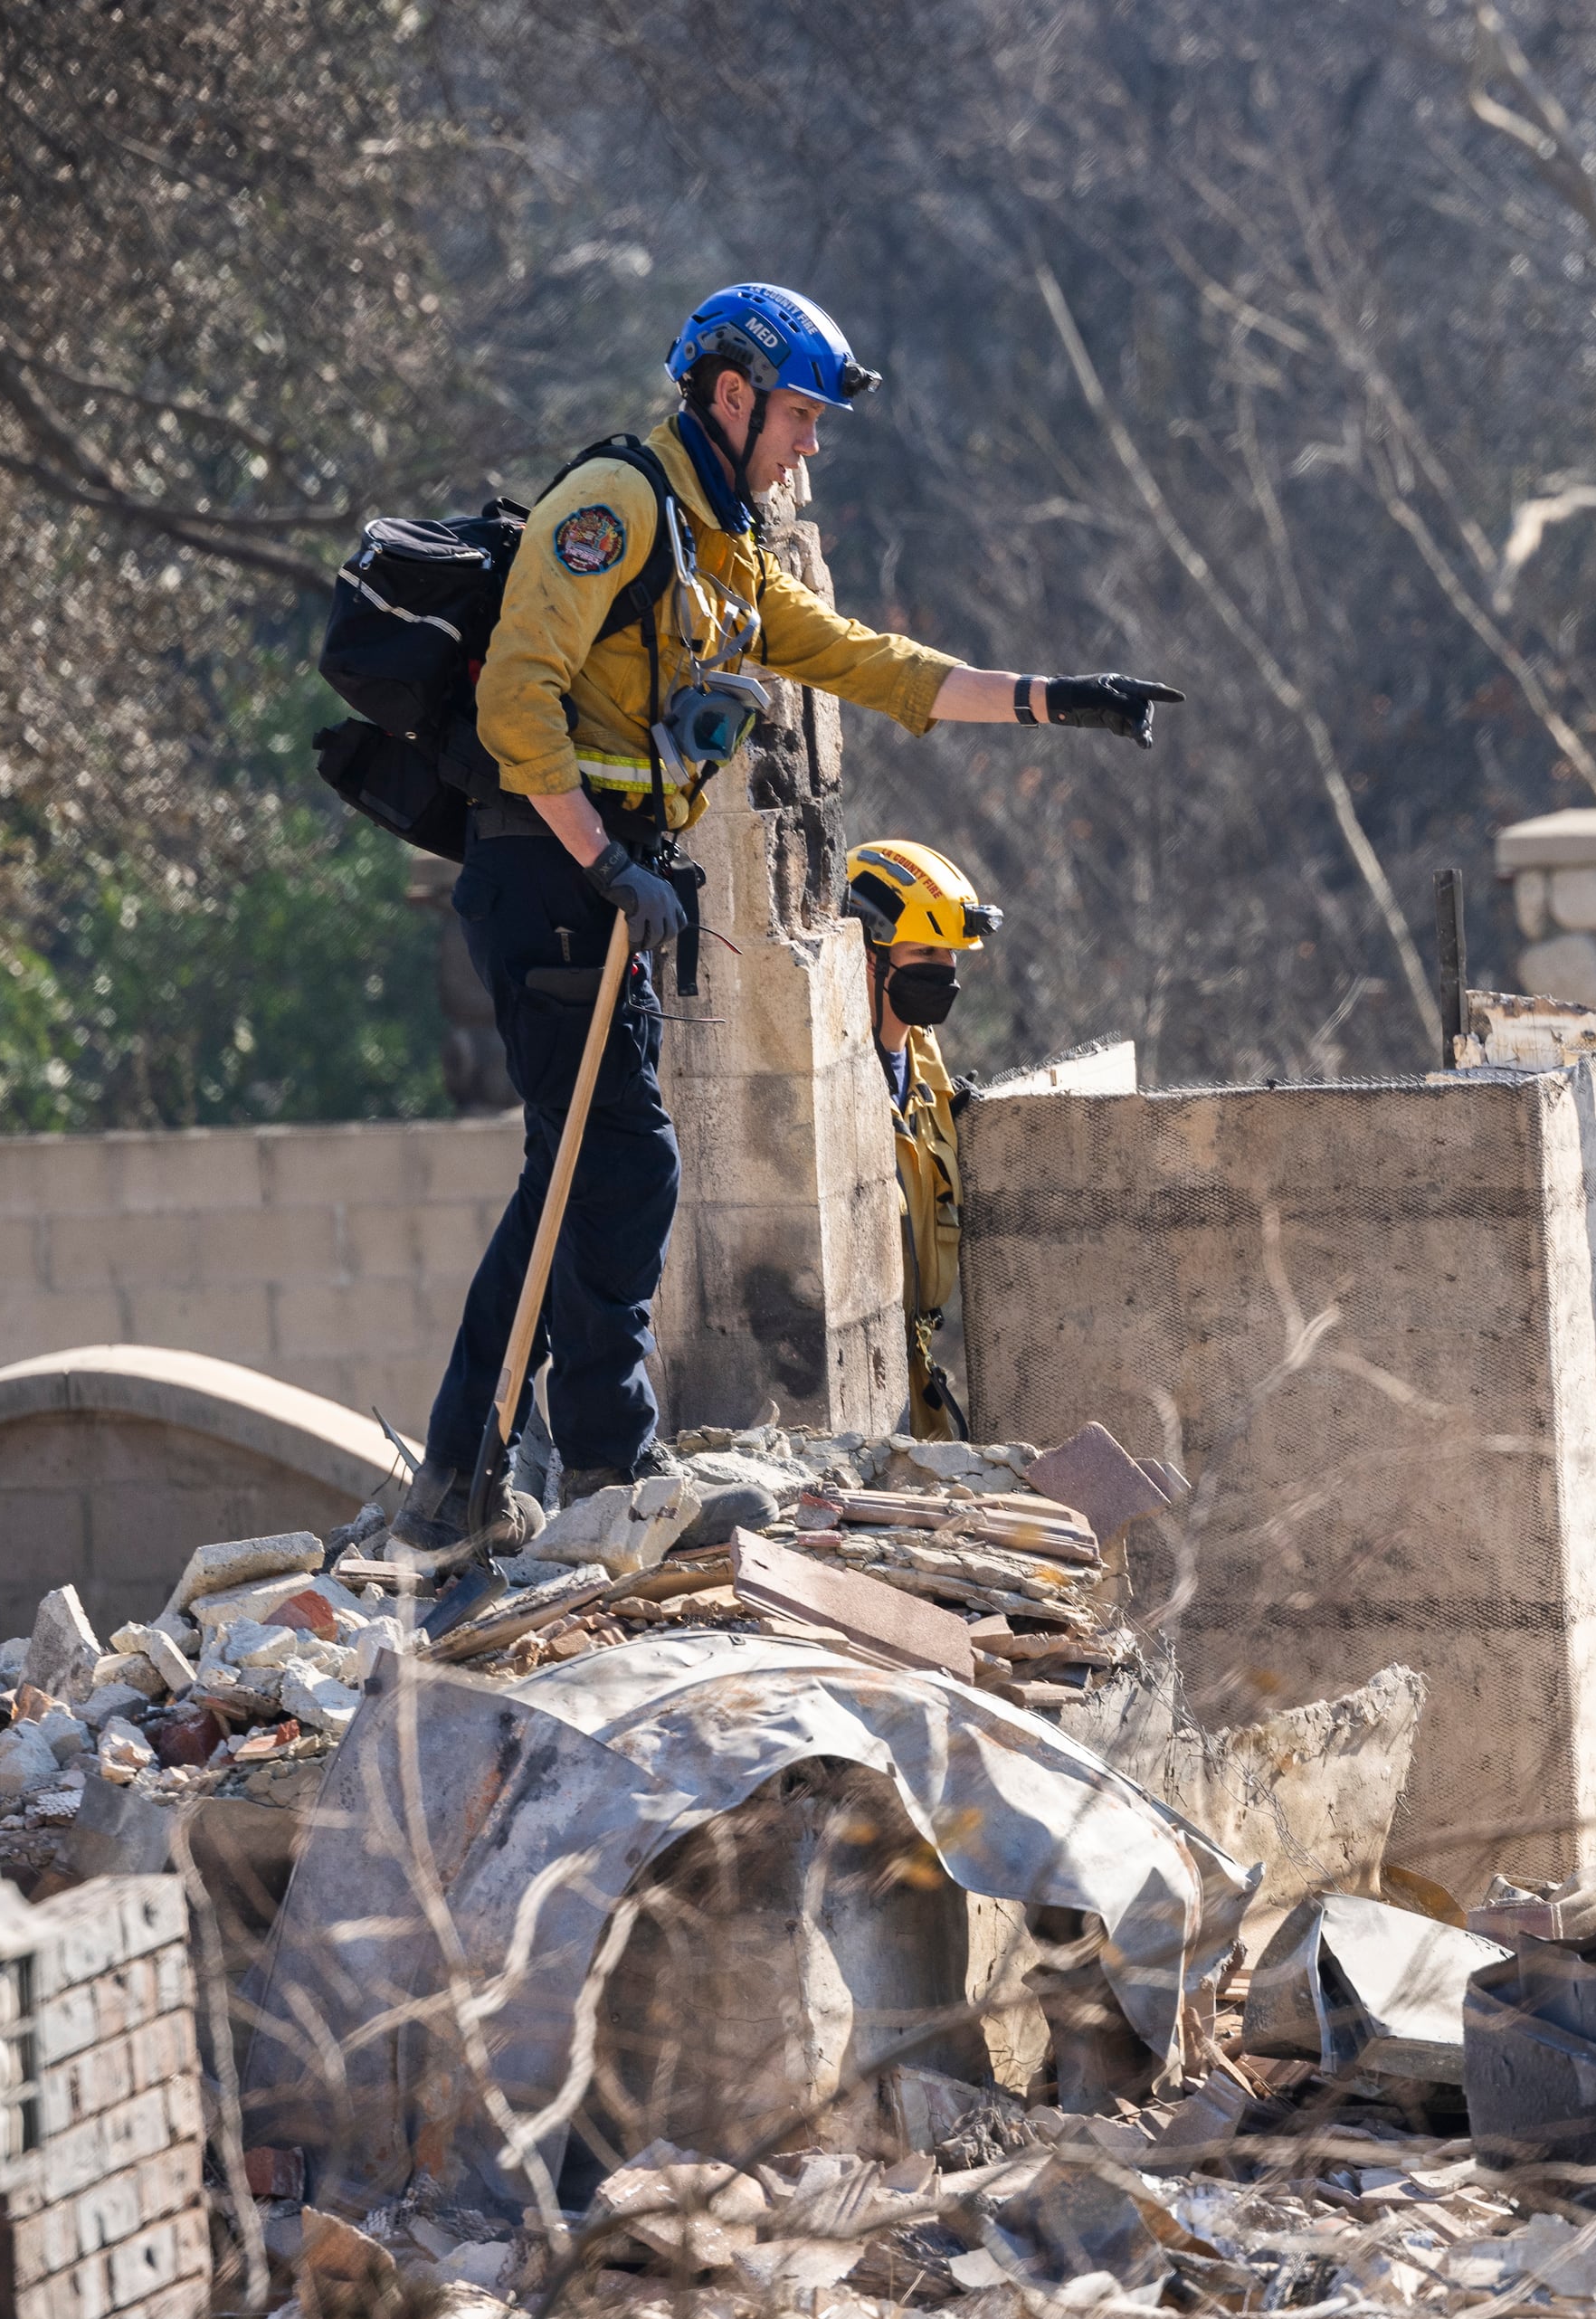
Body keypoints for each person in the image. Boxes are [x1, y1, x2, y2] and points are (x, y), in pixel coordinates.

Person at [394, 282, 1178, 1557]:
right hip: (548, 870)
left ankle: (467, 1474)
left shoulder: (725, 546)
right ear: (730, 394)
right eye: (800, 415)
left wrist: (1057, 697)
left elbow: (873, 664)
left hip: (615, 881)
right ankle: (597, 1455)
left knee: (576, 1175)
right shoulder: (616, 508)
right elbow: (519, 709)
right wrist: (604, 869)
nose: (810, 444)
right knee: (622, 1164)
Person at [841, 838, 997, 1437]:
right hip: (860, 1393)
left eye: (950, 954)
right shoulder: (835, 1078)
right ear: (866, 952)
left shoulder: (923, 1060)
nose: (942, 970)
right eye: (924, 949)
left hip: (917, 1384)